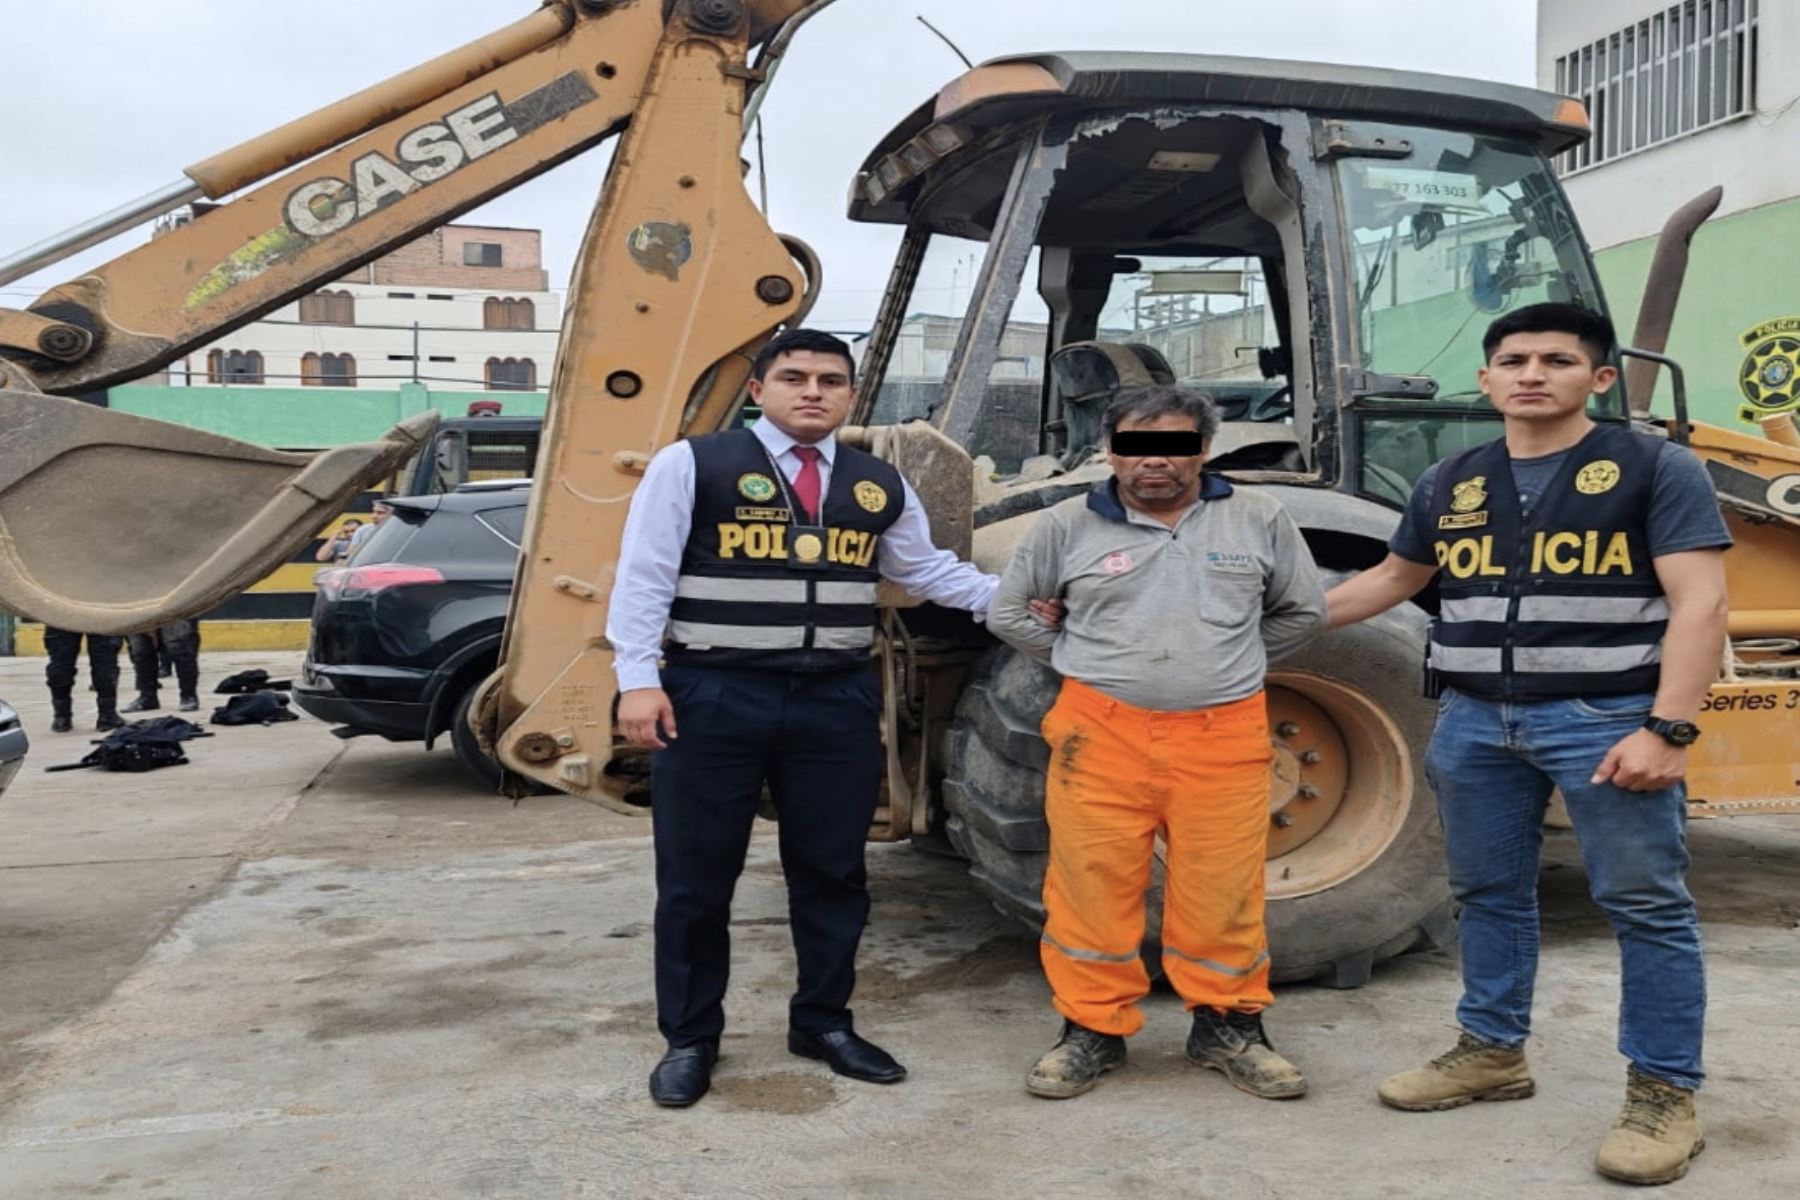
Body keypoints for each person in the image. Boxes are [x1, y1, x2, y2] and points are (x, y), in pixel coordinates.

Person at [1324, 303, 1730, 1187]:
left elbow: (1702, 603)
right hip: (1473, 720)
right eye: (1513, 359)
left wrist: (1668, 728)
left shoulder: (1653, 467)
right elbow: (1396, 580)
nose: (1532, 373)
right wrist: (1248, 622)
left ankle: (1665, 1092)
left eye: (1556, 359)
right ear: (1487, 377)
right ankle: (1492, 1051)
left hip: (1602, 717)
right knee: (1486, 894)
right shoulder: (1451, 479)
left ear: (1600, 377)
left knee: (1645, 906)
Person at [607, 329, 1004, 1108]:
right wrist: (635, 679)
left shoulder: (876, 482)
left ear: (852, 395)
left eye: (830, 379)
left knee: (831, 874)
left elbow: (923, 571)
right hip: (712, 696)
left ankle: (822, 1021)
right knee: (696, 880)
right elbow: (644, 573)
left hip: (835, 701)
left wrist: (1021, 604)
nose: (812, 391)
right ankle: (691, 1038)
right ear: (759, 390)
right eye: (794, 377)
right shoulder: (694, 464)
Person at [987, 384, 1326, 1102]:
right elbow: (1009, 612)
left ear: (1205, 449)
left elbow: (1303, 610)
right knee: (1090, 887)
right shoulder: (1064, 524)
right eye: (1135, 448)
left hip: (1224, 735)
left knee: (1223, 891)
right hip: (1098, 733)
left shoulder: (1258, 517)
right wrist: (1080, 657)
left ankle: (1229, 1027)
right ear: (1109, 452)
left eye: (1175, 447)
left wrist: (1232, 658)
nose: (1155, 464)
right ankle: (1092, 1031)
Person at [43, 627, 125, 734]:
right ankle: (107, 715)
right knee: (104, 660)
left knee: (61, 660)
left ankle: (61, 717)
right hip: (101, 614)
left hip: (62, 614)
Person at [123, 619, 202, 714]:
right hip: (137, 610)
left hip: (171, 610)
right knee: (141, 652)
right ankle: (147, 698)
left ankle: (188, 696)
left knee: (178, 647)